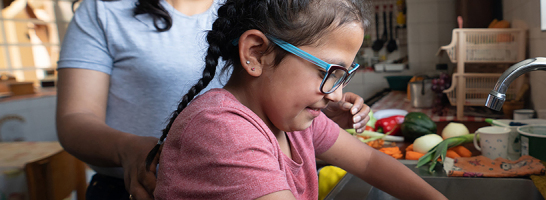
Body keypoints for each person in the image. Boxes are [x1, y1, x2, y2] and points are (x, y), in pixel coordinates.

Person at [55, 0, 371, 199]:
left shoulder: (253, 8)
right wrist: (130, 150)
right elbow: (74, 120)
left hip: (257, 180)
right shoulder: (104, 9)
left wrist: (322, 101)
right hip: (132, 187)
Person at [150, 0, 448, 199]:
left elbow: (370, 161)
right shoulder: (221, 128)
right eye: (327, 71)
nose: (337, 94)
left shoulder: (291, 120)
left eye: (343, 75)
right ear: (256, 54)